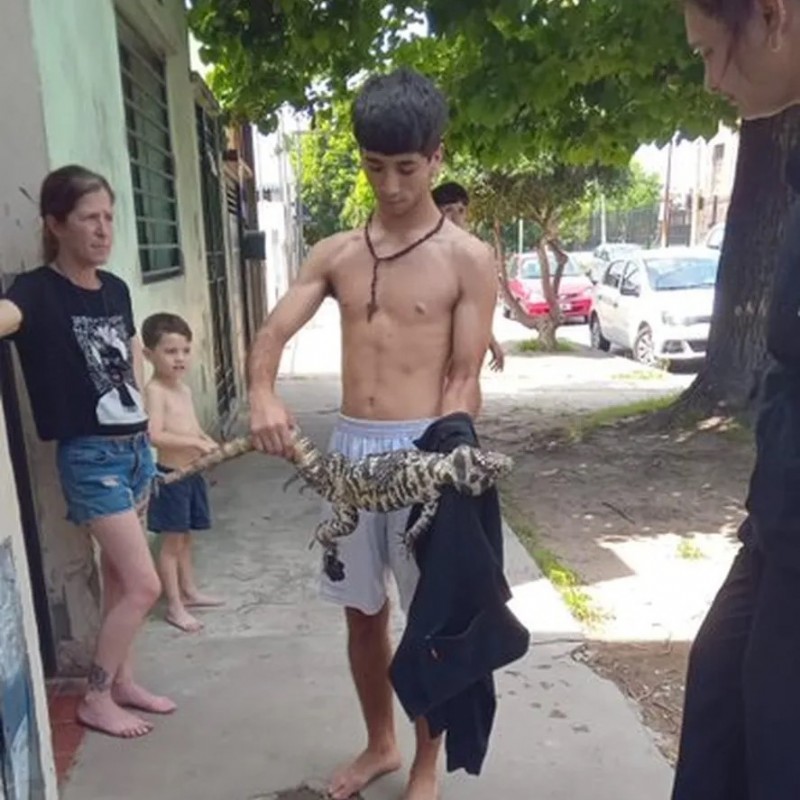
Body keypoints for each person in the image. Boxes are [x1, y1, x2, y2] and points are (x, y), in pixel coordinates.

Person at [247, 67, 497, 800]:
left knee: (431, 621)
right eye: (374, 167)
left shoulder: (469, 260)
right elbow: (275, 328)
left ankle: (426, 763)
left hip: (427, 453)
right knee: (362, 615)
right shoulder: (336, 253)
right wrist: (262, 391)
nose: (389, 185)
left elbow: (464, 373)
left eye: (406, 168)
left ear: (438, 157)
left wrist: (450, 454)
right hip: (352, 453)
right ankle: (380, 743)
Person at [673, 2, 800, 798]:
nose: (710, 77)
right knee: (721, 691)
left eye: (713, 51)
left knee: (777, 748)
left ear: (775, 17)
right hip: (778, 519)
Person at [0, 165, 174, 738]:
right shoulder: (35, 291)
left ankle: (123, 680)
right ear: (55, 223)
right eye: (88, 219)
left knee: (123, 580)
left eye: (108, 217)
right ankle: (96, 698)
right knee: (146, 585)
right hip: (89, 458)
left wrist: (150, 434)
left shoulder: (117, 289)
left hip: (134, 450)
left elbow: (127, 365)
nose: (103, 230)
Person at [141, 312, 223, 634]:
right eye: (170, 351)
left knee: (186, 538)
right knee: (171, 544)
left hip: (192, 475)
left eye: (185, 350)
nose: (179, 358)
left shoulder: (183, 390)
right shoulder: (156, 390)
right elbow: (154, 434)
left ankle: (189, 592)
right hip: (170, 477)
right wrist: (193, 442)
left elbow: (192, 426)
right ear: (149, 355)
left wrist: (206, 441)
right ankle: (174, 606)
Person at [432, 181, 506, 372]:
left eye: (461, 210)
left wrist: (493, 343)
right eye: (448, 210)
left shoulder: (469, 255)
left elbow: (473, 307)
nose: (456, 218)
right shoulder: (421, 254)